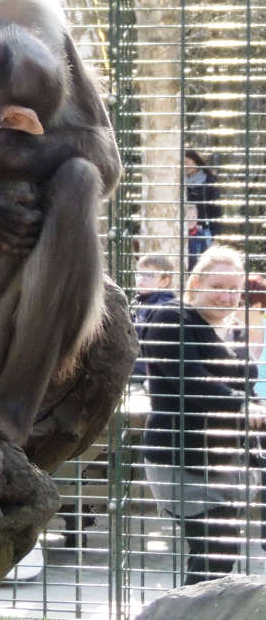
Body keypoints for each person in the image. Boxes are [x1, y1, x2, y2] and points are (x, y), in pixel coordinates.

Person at [142, 245, 266, 586]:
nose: (228, 296)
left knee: (220, 556)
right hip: (183, 461)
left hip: (228, 461)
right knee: (212, 554)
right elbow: (191, 381)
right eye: (219, 287)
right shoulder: (171, 317)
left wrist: (254, 408)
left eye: (234, 289)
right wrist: (242, 407)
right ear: (195, 283)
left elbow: (247, 387)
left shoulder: (236, 329)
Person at [131, 254, 175, 385]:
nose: (141, 279)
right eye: (139, 274)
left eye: (149, 275)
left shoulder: (161, 305)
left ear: (164, 281)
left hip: (147, 369)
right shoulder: (142, 301)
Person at [185, 148, 222, 238]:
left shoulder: (209, 180)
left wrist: (215, 235)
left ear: (196, 162)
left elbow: (216, 211)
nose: (185, 165)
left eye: (187, 162)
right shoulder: (179, 182)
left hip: (204, 231)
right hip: (185, 232)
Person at [185, 202, 213, 271]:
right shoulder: (181, 233)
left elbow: (204, 252)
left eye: (193, 217)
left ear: (197, 217)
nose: (191, 220)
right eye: (188, 217)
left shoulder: (201, 234)